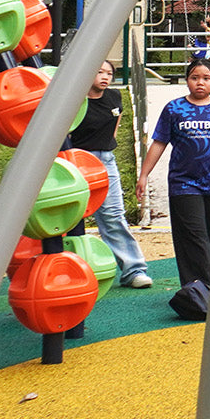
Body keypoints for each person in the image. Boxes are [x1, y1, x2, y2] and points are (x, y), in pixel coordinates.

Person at [138, 56, 210, 290]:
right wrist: (144, 175)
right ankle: (201, 291)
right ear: (187, 80)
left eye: (206, 78)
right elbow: (159, 142)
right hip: (184, 185)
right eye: (194, 78)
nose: (200, 82)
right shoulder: (174, 108)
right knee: (194, 238)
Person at [67, 59, 153, 289]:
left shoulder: (114, 98)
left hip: (105, 161)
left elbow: (113, 129)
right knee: (69, 220)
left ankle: (134, 270)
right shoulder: (75, 102)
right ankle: (69, 272)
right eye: (99, 72)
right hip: (75, 161)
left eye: (109, 73)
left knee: (113, 215)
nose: (105, 77)